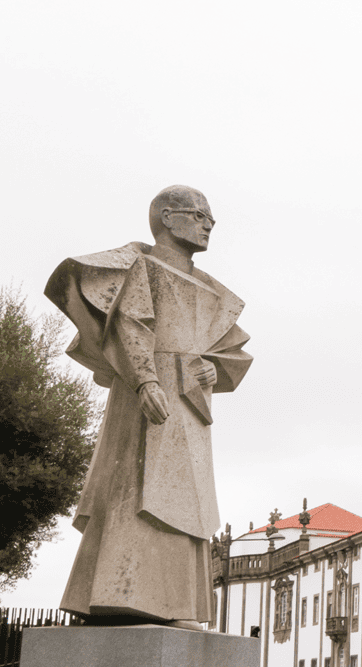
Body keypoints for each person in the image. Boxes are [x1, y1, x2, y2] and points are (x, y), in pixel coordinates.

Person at [45, 185, 253, 627]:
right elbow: (130, 322)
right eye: (199, 215)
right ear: (165, 216)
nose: (209, 224)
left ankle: (175, 605)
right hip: (149, 393)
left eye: (211, 218)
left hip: (191, 405)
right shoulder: (137, 265)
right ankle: (116, 593)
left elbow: (230, 351)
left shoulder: (211, 288)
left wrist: (214, 368)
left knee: (189, 500)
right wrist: (144, 379)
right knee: (136, 486)